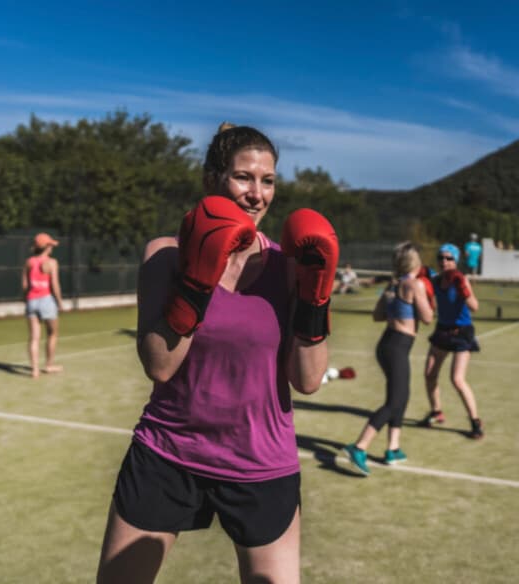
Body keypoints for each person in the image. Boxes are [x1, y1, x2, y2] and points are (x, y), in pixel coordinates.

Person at [97, 123, 339, 584]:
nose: (257, 193)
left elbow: (306, 380)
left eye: (267, 180)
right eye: (243, 177)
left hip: (260, 461)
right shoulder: (165, 255)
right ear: (211, 180)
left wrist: (314, 300)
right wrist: (197, 277)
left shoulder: (289, 265)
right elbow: (160, 365)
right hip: (167, 453)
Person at [342, 242, 434, 475]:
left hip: (387, 344)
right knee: (395, 401)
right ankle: (359, 446)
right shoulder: (415, 284)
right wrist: (425, 298)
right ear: (416, 262)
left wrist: (397, 309)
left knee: (401, 396)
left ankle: (393, 448)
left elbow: (377, 315)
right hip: (398, 347)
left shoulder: (393, 285)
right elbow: (427, 318)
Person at [419, 243, 484, 439]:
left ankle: (475, 421)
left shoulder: (460, 279)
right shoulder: (436, 280)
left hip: (461, 332)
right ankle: (436, 411)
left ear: (456, 261)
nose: (444, 262)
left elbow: (475, 307)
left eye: (449, 258)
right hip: (442, 330)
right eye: (441, 258)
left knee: (457, 379)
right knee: (429, 374)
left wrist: (463, 288)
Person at [21, 232, 64, 378]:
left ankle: (34, 370)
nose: (52, 247)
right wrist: (59, 302)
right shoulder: (52, 263)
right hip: (47, 301)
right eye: (50, 245)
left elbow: (25, 285)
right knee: (52, 333)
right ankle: (49, 365)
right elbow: (55, 285)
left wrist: (25, 299)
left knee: (34, 337)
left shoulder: (29, 262)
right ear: (46, 247)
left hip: (31, 301)